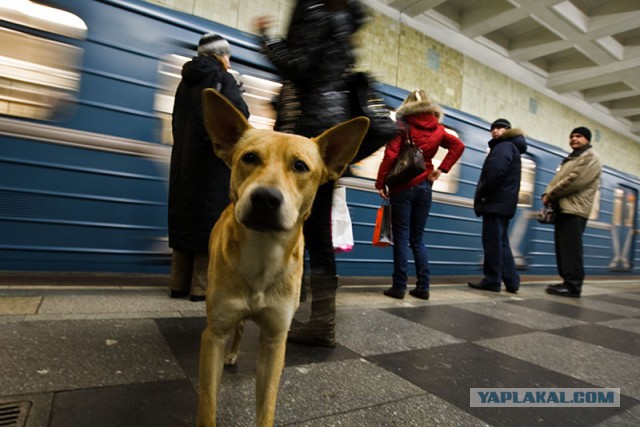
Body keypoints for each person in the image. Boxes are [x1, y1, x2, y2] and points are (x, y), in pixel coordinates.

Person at [254, 0, 367, 347]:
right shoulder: (344, 17)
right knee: (311, 228)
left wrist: (266, 39)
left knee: (307, 228)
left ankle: (317, 320)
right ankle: (308, 310)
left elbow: (299, 65)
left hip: (307, 127)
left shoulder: (317, 9)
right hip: (327, 130)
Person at [168, 33, 250, 301]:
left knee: (184, 218)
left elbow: (177, 121)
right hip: (211, 163)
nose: (228, 59)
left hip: (183, 160)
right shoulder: (223, 79)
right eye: (227, 54)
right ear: (219, 55)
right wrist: (238, 91)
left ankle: (178, 284)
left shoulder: (185, 81)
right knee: (207, 220)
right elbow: (240, 116)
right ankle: (200, 287)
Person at [375, 90, 465, 300]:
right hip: (425, 187)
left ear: (407, 105)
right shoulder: (438, 128)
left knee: (401, 237)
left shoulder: (402, 125)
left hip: (403, 188)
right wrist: (441, 169)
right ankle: (423, 287)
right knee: (418, 239)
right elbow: (458, 146)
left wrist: (381, 182)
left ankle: (399, 286)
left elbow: (390, 155)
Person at [468, 118, 527, 293]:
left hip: (495, 202)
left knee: (493, 243)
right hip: (504, 203)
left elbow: (495, 172)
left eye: (500, 128)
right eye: (493, 128)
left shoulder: (503, 147)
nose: (495, 131)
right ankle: (512, 281)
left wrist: (483, 193)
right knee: (502, 243)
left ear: (508, 130)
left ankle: (492, 280)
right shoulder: (511, 147)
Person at [543, 127, 601, 298]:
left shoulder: (590, 158)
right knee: (563, 249)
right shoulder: (572, 158)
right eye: (572, 136)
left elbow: (574, 181)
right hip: (564, 208)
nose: (574, 139)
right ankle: (566, 282)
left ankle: (573, 286)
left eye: (579, 136)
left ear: (587, 140)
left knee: (571, 250)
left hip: (575, 210)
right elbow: (558, 180)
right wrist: (548, 194)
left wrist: (550, 195)